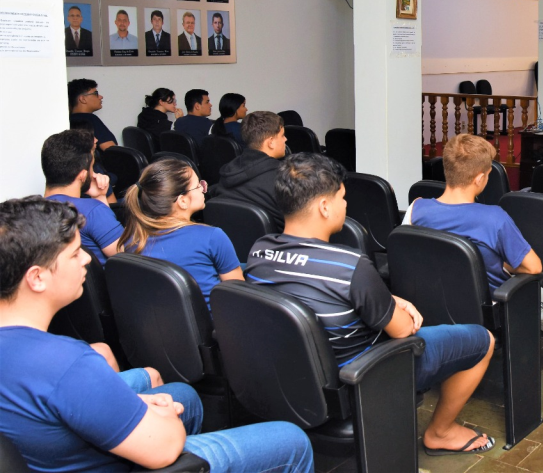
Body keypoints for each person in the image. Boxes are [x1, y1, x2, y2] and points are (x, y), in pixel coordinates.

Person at [0, 196, 314, 473]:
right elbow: (163, 447)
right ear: (37, 278)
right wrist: (164, 417)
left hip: (42, 452)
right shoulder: (69, 363)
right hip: (132, 458)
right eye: (74, 253)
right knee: (292, 440)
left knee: (185, 395)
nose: (87, 258)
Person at [247, 153, 496, 456]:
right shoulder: (349, 266)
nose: (346, 204)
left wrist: (388, 297)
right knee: (484, 340)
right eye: (341, 197)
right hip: (365, 374)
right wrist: (399, 308)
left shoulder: (259, 252)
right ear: (324, 207)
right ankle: (441, 432)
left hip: (296, 376)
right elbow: (404, 331)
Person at [405, 134, 543, 365]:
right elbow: (534, 268)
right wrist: (503, 263)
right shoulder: (494, 218)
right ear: (480, 178)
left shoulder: (416, 208)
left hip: (434, 298)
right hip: (489, 303)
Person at [117, 158, 243, 306]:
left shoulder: (132, 240)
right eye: (198, 186)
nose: (204, 188)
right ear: (182, 201)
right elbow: (238, 296)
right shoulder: (212, 237)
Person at [41, 129, 123, 264]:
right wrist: (100, 200)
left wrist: (100, 197)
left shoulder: (32, 212)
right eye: (92, 167)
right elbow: (127, 254)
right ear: (83, 175)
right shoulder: (92, 211)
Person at [210, 111, 288, 230]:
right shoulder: (282, 179)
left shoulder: (228, 172)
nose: (285, 139)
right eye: (282, 135)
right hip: (274, 246)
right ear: (270, 142)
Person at [68, 79, 116, 150]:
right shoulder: (91, 119)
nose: (100, 97)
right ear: (83, 99)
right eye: (95, 93)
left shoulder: (69, 120)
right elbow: (112, 151)